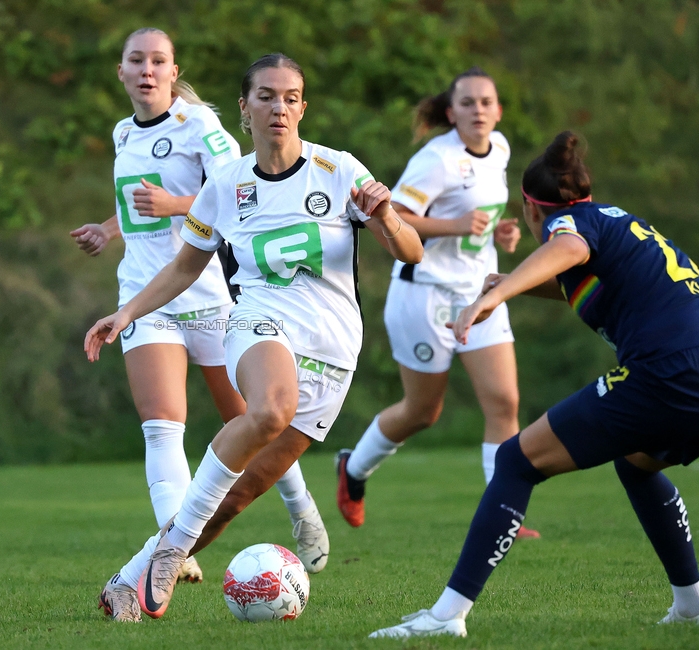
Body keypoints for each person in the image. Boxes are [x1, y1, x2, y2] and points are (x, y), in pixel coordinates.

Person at [86, 53, 424, 622]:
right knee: (268, 409)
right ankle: (171, 552)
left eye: (291, 97)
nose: (279, 108)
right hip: (256, 323)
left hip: (333, 352)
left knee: (234, 498)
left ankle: (131, 576)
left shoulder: (339, 170)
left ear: (302, 108)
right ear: (244, 109)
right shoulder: (226, 183)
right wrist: (127, 313)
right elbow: (185, 267)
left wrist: (386, 216)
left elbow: (411, 250)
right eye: (266, 96)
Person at [370, 131, 699, 638]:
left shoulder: (570, 225)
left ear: (531, 207)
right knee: (639, 463)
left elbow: (568, 246)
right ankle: (691, 604)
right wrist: (509, 284)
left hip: (668, 370)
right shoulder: (618, 223)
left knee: (515, 460)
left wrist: (494, 295)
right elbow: (582, 276)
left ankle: (445, 618)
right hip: (696, 365)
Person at [71, 28, 331, 598]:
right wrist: (109, 229)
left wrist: (174, 205)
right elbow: (139, 207)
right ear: (121, 72)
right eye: (135, 60)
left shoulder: (199, 127)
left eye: (157, 60)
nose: (146, 69)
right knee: (162, 424)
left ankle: (302, 505)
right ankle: (176, 544)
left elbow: (239, 192)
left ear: (172, 70)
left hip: (212, 295)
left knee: (252, 416)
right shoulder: (121, 133)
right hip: (145, 294)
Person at [334, 67, 538, 539]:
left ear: (498, 110)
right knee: (423, 412)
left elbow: (480, 216)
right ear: (452, 112)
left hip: (480, 294)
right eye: (467, 103)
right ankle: (354, 469)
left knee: (504, 402)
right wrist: (456, 226)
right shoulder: (438, 159)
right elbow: (392, 217)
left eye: (487, 102)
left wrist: (500, 229)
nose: (479, 110)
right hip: (424, 295)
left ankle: (502, 516)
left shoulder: (500, 148)